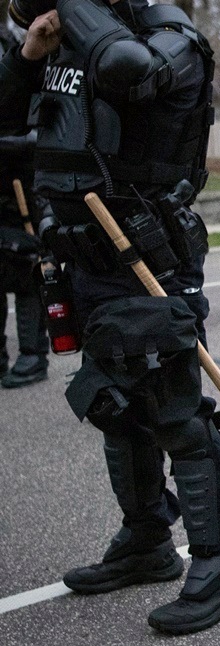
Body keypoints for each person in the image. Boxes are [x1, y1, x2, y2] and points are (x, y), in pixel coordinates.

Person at [1, 0, 220, 632]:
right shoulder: (62, 50)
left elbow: (125, 69)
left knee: (174, 412)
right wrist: (29, 53)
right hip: (81, 254)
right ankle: (147, 541)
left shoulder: (171, 42)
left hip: (147, 253)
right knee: (116, 406)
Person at [0, 26, 49, 388]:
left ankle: (33, 356)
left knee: (28, 273)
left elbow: (42, 133)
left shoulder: (29, 64)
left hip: (24, 193)